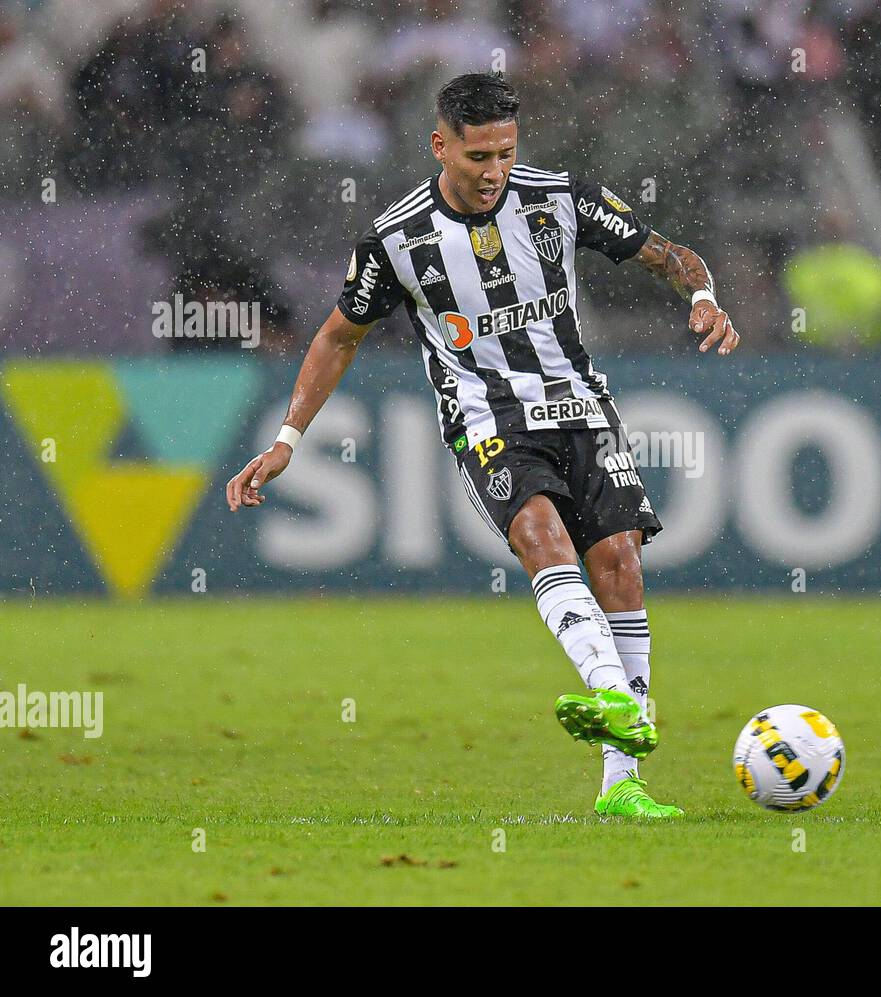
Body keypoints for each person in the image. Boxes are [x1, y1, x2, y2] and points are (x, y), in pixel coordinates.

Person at [225, 72, 739, 819]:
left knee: (619, 563)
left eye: (505, 152)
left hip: (581, 406)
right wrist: (287, 438)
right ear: (441, 146)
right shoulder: (397, 238)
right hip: (487, 419)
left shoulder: (559, 198)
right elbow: (339, 335)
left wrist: (703, 297)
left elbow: (671, 255)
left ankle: (621, 781)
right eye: (478, 157)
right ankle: (610, 694)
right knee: (540, 532)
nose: (495, 171)